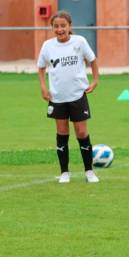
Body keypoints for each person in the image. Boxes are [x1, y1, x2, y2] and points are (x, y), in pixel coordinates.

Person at [37, 11, 100, 183]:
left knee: (81, 132)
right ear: (52, 28)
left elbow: (92, 60)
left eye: (63, 26)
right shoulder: (47, 46)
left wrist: (95, 80)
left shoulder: (79, 42)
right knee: (62, 132)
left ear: (70, 26)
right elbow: (41, 68)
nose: (60, 29)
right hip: (57, 97)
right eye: (56, 26)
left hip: (78, 95)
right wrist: (43, 87)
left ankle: (89, 172)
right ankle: (64, 172)